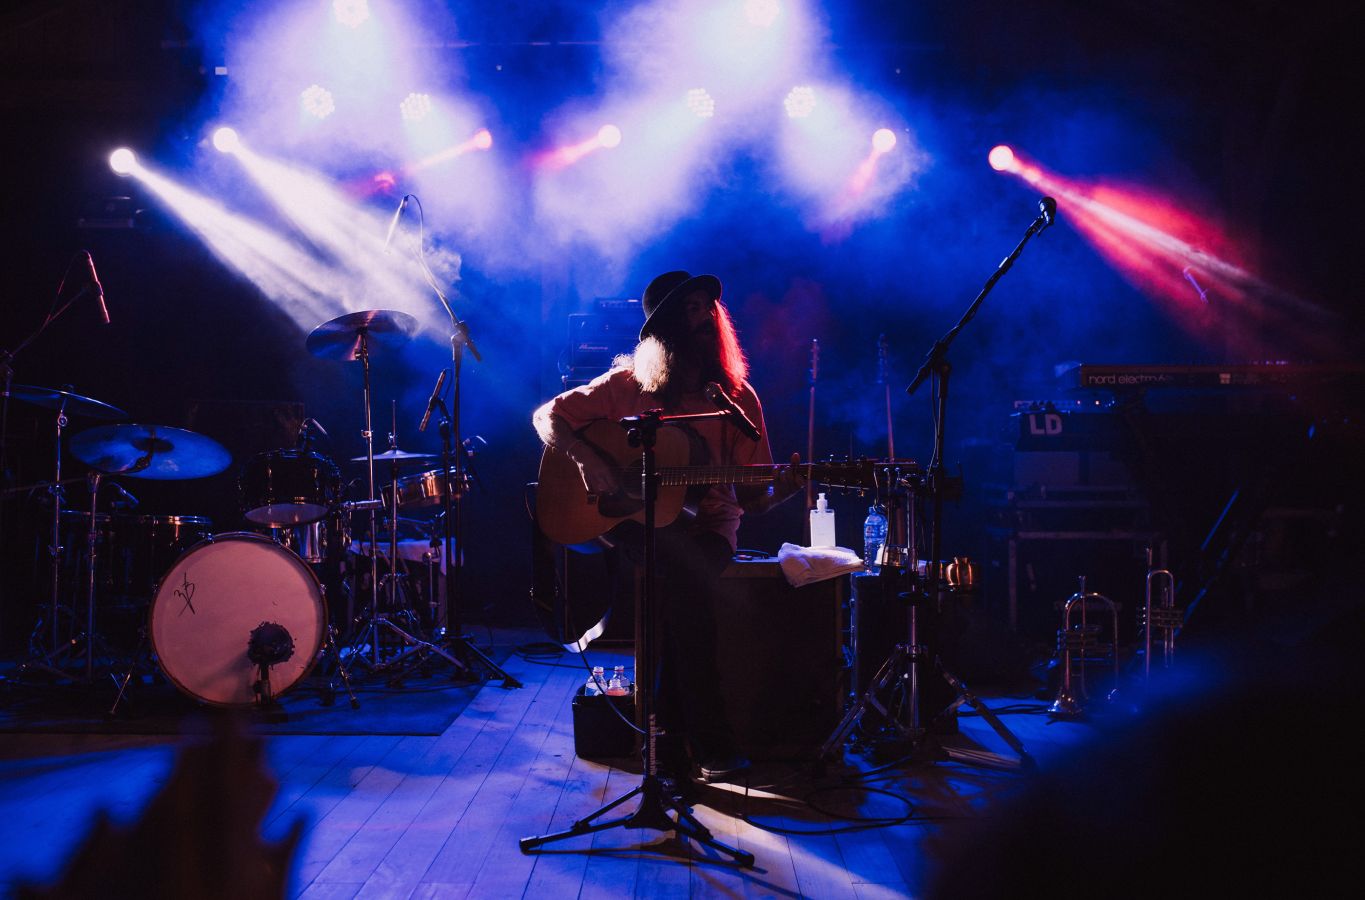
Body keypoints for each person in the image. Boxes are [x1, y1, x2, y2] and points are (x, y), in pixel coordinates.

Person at [532, 269, 804, 784]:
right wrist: (588, 459)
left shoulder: (736, 401)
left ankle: (664, 741)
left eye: (707, 307)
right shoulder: (628, 387)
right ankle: (707, 742)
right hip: (636, 524)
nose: (704, 316)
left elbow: (753, 500)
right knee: (683, 571)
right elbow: (548, 417)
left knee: (685, 580)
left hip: (711, 528)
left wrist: (786, 488)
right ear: (665, 330)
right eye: (690, 308)